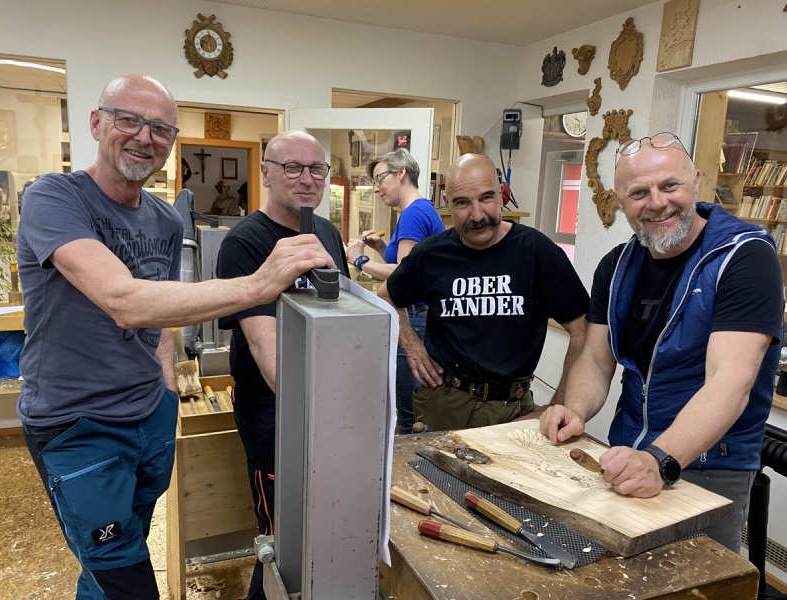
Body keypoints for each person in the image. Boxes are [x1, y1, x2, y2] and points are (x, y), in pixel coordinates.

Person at [16, 75, 335, 600]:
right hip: (78, 423)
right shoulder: (54, 197)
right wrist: (258, 284)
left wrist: (165, 396)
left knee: (114, 559)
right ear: (96, 123)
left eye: (161, 129)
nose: (145, 137)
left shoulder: (164, 220)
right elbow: (124, 301)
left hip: (148, 416)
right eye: (129, 120)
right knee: (125, 577)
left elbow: (160, 318)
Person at [539, 132, 783, 552]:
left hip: (709, 465)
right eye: (638, 193)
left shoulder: (745, 258)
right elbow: (596, 359)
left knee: (694, 580)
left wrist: (659, 459)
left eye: (670, 185)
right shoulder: (617, 266)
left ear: (696, 182)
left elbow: (731, 380)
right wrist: (574, 411)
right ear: (619, 202)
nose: (656, 203)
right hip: (627, 453)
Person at [216, 130, 350, 600]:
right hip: (275, 413)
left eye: (317, 169)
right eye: (292, 167)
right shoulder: (245, 243)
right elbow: (264, 346)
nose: (307, 179)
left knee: (325, 522)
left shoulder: (325, 233)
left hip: (327, 407)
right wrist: (321, 411)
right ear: (267, 173)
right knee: (281, 536)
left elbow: (341, 318)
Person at [376, 153, 589, 432]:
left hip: (513, 408)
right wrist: (412, 345)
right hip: (445, 402)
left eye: (486, 198)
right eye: (462, 203)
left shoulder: (537, 252)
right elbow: (386, 296)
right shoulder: (431, 254)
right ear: (447, 204)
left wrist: (559, 404)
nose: (477, 216)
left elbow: (582, 328)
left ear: (501, 195)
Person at [345, 148, 445, 433]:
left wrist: (359, 260)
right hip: (422, 317)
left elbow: (404, 274)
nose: (376, 189)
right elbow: (412, 266)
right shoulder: (421, 210)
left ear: (402, 173)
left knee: (410, 418)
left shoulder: (413, 214)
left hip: (414, 319)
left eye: (380, 179)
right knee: (416, 411)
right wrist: (381, 248)